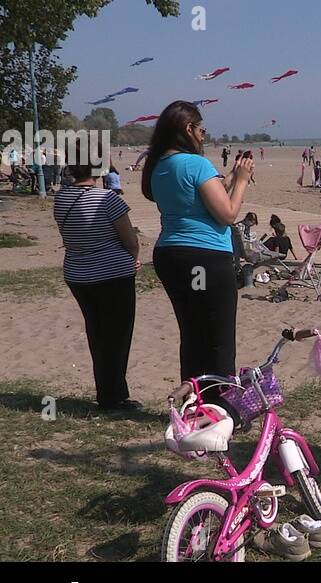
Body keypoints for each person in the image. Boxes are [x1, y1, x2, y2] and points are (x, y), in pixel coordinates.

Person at [144, 101, 254, 405]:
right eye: (201, 129)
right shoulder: (196, 164)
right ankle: (221, 409)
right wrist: (242, 181)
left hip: (171, 255)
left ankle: (195, 402)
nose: (204, 136)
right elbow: (228, 214)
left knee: (192, 333)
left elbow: (195, 196)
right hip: (203, 258)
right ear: (187, 129)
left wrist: (230, 177)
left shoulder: (160, 165)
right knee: (218, 337)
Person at [54, 139, 141, 411]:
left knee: (97, 333)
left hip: (78, 273)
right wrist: (133, 258)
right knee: (117, 336)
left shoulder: (60, 197)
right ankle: (114, 395)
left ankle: (107, 390)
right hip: (112, 274)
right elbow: (130, 239)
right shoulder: (107, 199)